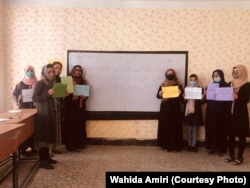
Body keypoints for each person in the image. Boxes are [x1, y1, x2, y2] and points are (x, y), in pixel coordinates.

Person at [32, 64, 58, 169]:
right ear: (45, 73)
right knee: (43, 135)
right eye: (49, 72)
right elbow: (34, 97)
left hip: (51, 111)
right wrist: (48, 94)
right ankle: (42, 160)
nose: (52, 74)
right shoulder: (40, 83)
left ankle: (47, 157)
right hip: (43, 113)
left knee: (48, 134)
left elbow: (53, 96)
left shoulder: (52, 83)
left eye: (53, 72)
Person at [225, 64, 250, 165]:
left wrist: (237, 97)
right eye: (233, 71)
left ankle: (240, 157)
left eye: (237, 72)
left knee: (241, 135)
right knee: (231, 135)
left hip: (241, 114)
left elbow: (246, 100)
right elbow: (224, 97)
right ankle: (231, 155)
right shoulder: (229, 83)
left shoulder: (247, 85)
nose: (234, 74)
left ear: (242, 72)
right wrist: (217, 95)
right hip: (230, 113)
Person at [204, 69, 232, 156]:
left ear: (222, 75)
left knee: (221, 129)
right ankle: (211, 147)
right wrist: (205, 95)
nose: (216, 77)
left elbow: (229, 100)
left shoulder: (227, 85)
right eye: (214, 75)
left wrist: (220, 95)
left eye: (218, 75)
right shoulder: (210, 86)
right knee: (210, 128)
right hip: (211, 111)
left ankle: (220, 148)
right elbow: (205, 100)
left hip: (222, 112)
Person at [156, 68, 184, 152]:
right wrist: (160, 94)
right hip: (165, 109)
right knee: (165, 126)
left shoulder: (178, 85)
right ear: (166, 74)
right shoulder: (162, 85)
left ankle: (175, 146)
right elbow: (157, 96)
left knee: (174, 126)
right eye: (168, 73)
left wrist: (180, 93)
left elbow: (182, 99)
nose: (170, 74)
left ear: (174, 74)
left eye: (171, 73)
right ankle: (165, 145)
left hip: (175, 108)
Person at [13, 65, 38, 156]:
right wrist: (19, 98)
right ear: (25, 71)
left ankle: (33, 148)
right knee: (24, 129)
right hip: (24, 110)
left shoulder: (38, 83)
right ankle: (23, 149)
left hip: (36, 109)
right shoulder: (20, 84)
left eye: (32, 70)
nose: (30, 71)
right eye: (28, 70)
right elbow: (15, 95)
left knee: (34, 128)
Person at [64, 65, 88, 152]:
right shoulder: (68, 81)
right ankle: (70, 145)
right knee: (71, 126)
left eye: (80, 70)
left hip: (80, 107)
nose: (78, 72)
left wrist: (84, 97)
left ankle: (79, 144)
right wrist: (71, 98)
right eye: (76, 70)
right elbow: (64, 95)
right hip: (70, 107)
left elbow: (86, 96)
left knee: (80, 125)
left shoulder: (84, 81)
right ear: (73, 71)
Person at [183, 74, 205, 152]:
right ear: (189, 80)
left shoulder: (200, 89)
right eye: (191, 80)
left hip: (197, 111)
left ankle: (194, 145)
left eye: (194, 80)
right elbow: (183, 102)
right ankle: (189, 145)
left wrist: (202, 98)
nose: (193, 81)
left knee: (195, 128)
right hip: (188, 110)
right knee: (189, 128)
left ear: (197, 80)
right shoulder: (186, 89)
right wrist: (184, 97)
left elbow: (202, 102)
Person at [51, 61, 65, 154]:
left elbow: (60, 95)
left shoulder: (60, 80)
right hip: (50, 107)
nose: (57, 70)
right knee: (51, 127)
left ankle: (55, 147)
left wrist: (65, 93)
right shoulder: (48, 80)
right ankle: (50, 148)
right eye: (55, 67)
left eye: (59, 68)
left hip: (58, 106)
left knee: (57, 127)